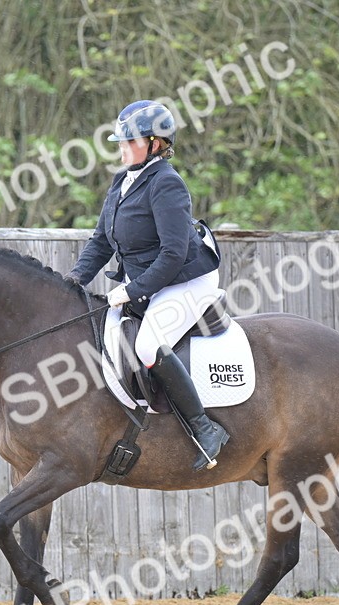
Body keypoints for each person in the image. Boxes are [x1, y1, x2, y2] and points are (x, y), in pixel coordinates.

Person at [67, 100, 229, 471]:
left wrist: (131, 289)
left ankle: (205, 429)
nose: (121, 148)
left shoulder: (168, 184)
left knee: (147, 345)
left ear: (156, 144)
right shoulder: (122, 181)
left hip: (186, 278)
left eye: (130, 141)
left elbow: (173, 255)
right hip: (149, 278)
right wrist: (72, 281)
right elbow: (100, 242)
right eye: (120, 141)